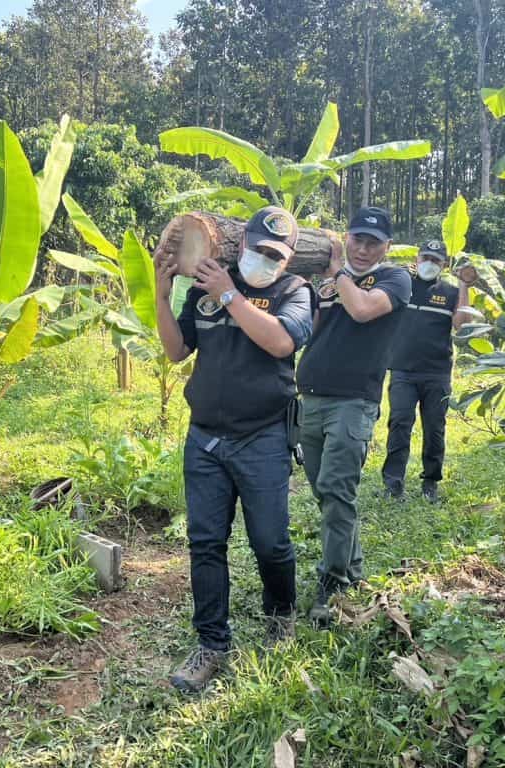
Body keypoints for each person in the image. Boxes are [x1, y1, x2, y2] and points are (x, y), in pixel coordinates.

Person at [154, 206, 315, 694]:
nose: (264, 260)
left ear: (288, 260)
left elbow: (281, 342)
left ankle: (280, 613)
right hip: (204, 437)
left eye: (275, 255)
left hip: (262, 436)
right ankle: (211, 644)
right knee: (205, 543)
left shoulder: (296, 293)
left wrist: (229, 294)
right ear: (238, 241)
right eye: (259, 248)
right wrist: (162, 295)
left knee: (270, 541)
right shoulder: (207, 289)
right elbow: (177, 350)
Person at [295, 206, 413, 626]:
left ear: (387, 247)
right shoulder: (328, 281)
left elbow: (363, 310)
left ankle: (333, 582)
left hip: (353, 402)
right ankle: (353, 566)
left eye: (372, 242)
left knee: (335, 486)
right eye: (357, 239)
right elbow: (309, 328)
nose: (363, 249)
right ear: (346, 237)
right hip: (310, 397)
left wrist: (338, 273)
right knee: (327, 493)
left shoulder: (395, 278)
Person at [381, 240, 477, 503]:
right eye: (426, 257)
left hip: (437, 373)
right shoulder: (403, 285)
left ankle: (431, 482)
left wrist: (465, 286)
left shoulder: (449, 292)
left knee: (434, 428)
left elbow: (462, 325)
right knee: (399, 424)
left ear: (444, 265)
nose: (430, 263)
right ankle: (393, 483)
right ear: (417, 256)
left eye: (436, 260)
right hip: (402, 370)